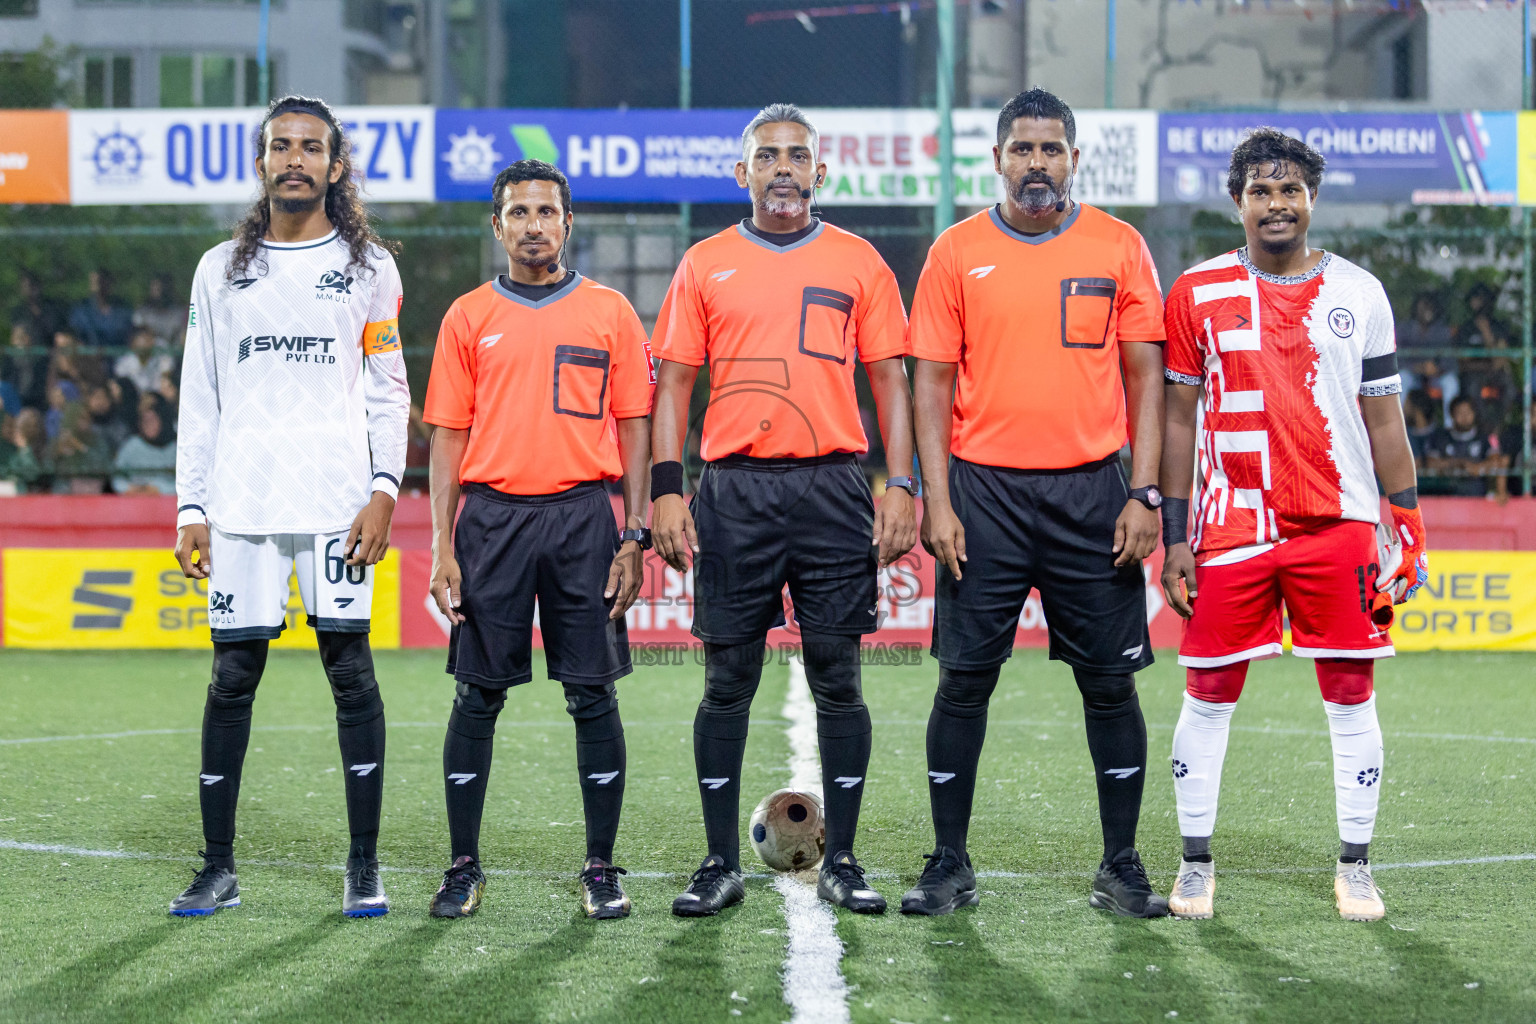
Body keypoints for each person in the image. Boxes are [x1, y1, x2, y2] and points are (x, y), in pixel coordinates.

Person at [903, 88, 1168, 919]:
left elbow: (1147, 378)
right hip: (983, 495)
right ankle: (949, 862)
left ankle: (1120, 866)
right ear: (997, 160)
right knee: (963, 682)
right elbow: (931, 386)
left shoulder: (1120, 246)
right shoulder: (955, 252)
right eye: (1022, 149)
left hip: (1093, 492)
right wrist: (936, 504)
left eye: (1052, 149)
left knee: (1110, 687)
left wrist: (1145, 492)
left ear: (1075, 159)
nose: (1037, 164)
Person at [651, 103, 916, 917]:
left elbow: (890, 385)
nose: (783, 169)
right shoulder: (704, 263)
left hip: (835, 488)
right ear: (744, 174)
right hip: (734, 490)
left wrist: (900, 483)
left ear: (820, 174)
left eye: (798, 156)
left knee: (839, 678)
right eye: (767, 157)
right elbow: (673, 387)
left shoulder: (860, 261)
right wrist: (667, 485)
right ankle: (717, 862)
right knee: (726, 681)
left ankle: (845, 862)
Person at [1160, 128, 1427, 924]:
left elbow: (1385, 425)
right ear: (1236, 201)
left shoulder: (1361, 292)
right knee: (1207, 693)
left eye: (1290, 190)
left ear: (1312, 197)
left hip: (1339, 527)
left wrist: (1405, 524)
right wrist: (1175, 533)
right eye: (1260, 191)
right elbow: (1177, 424)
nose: (1276, 204)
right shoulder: (1195, 291)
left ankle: (1357, 867)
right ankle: (1195, 865)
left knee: (1351, 695)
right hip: (1228, 526)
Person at [168, 95, 410, 918]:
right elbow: (197, 396)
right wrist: (190, 505)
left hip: (339, 505)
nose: (296, 157)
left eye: (312, 146)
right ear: (262, 162)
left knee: (351, 675)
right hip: (240, 506)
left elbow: (388, 390)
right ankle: (217, 866)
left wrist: (384, 491)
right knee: (232, 678)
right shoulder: (220, 269)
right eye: (282, 146)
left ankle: (364, 864)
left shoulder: (371, 266)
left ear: (336, 166)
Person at [422, 159, 654, 921]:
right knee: (477, 695)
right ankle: (462, 867)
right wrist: (441, 547)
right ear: (497, 227)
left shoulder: (612, 312)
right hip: (490, 522)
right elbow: (447, 442)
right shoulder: (466, 318)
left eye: (545, 211)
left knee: (592, 694)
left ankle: (600, 867)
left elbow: (637, 429)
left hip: (585, 517)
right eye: (517, 212)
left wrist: (634, 534)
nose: (532, 225)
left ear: (567, 222)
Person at [1425, 396, 1502, 498]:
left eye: (1468, 412)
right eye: (1460, 413)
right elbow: (1430, 463)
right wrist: (1457, 463)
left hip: (1478, 498)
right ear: (1452, 415)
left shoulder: (1487, 436)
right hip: (1445, 499)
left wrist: (1478, 468)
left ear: (1474, 414)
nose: (1464, 417)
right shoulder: (1440, 437)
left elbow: (1496, 461)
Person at [113, 395, 178, 494]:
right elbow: (116, 476)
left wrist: (159, 489)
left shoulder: (175, 448)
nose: (148, 425)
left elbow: (184, 483)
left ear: (162, 421)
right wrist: (128, 488)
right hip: (134, 500)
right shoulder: (131, 446)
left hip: (166, 502)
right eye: (145, 421)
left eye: (152, 420)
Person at [68, 267, 134, 350]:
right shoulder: (81, 312)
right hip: (87, 359)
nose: (100, 286)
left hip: (119, 360)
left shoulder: (122, 312)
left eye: (104, 281)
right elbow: (74, 338)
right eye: (97, 282)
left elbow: (130, 338)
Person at [115, 326, 175, 396]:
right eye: (143, 338)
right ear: (133, 343)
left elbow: (166, 372)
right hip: (133, 397)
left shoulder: (158, 354)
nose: (148, 342)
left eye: (149, 339)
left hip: (156, 396)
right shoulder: (124, 362)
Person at [134, 273, 187, 350]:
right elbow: (137, 339)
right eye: (154, 289)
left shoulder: (178, 313)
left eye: (159, 289)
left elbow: (181, 340)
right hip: (147, 355)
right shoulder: (143, 312)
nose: (156, 293)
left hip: (170, 354)